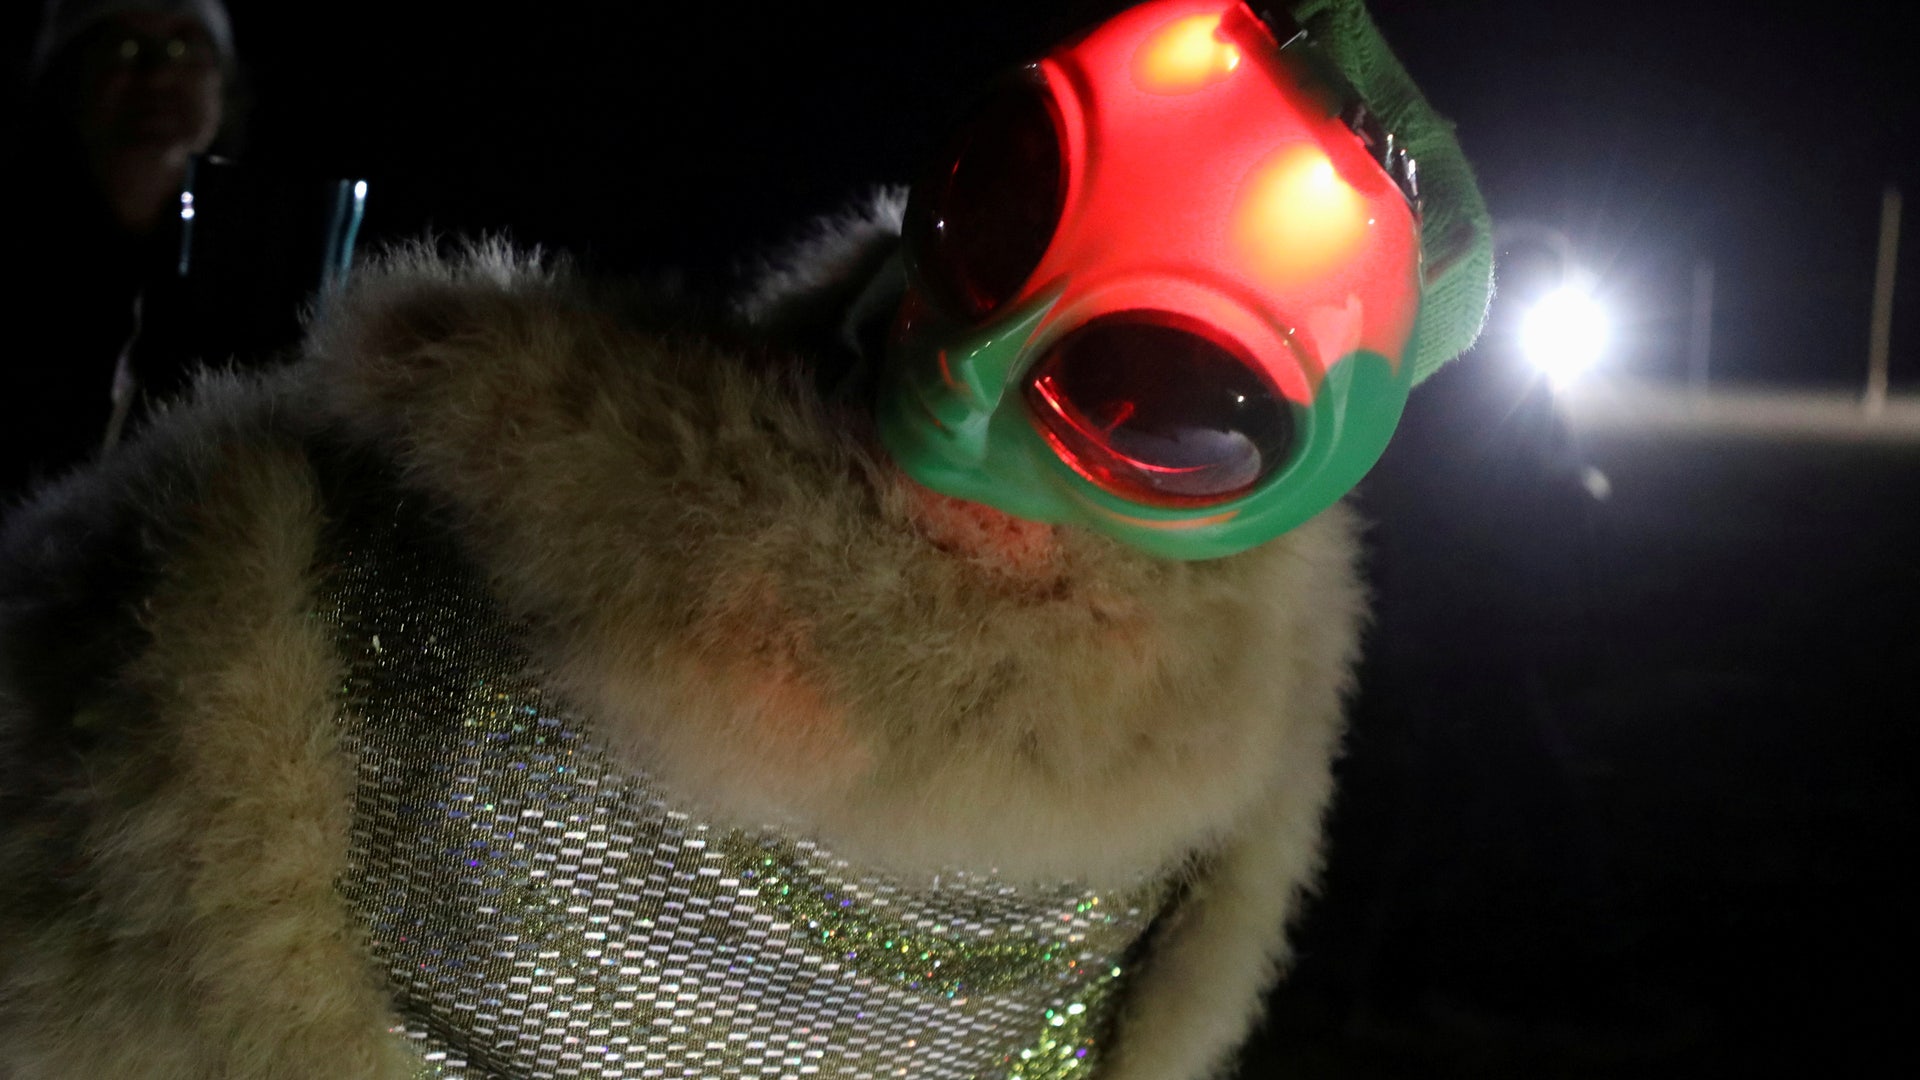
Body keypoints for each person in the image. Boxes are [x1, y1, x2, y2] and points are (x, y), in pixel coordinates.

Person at [1, 0, 235, 498]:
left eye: (183, 47)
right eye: (123, 48)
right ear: (68, 76)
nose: (156, 75)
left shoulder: (256, 273)